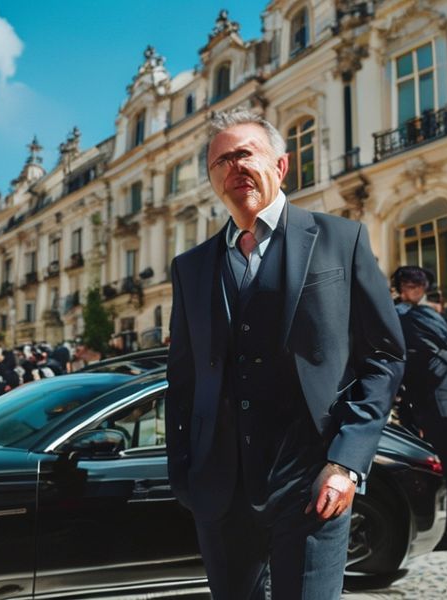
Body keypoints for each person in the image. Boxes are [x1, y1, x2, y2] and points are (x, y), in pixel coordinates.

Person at [165, 109, 404, 599]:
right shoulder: (190, 268)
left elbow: (384, 357)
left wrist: (346, 463)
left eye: (243, 154)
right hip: (219, 490)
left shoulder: (342, 239)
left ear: (281, 165)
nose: (232, 168)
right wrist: (184, 474)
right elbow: (183, 380)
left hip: (314, 481)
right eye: (219, 162)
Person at [393, 266, 447, 551]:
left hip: (440, 401)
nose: (408, 291)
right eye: (404, 286)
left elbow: (430, 358)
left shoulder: (417, 316)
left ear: (423, 287)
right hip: (438, 401)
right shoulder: (420, 314)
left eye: (413, 285)